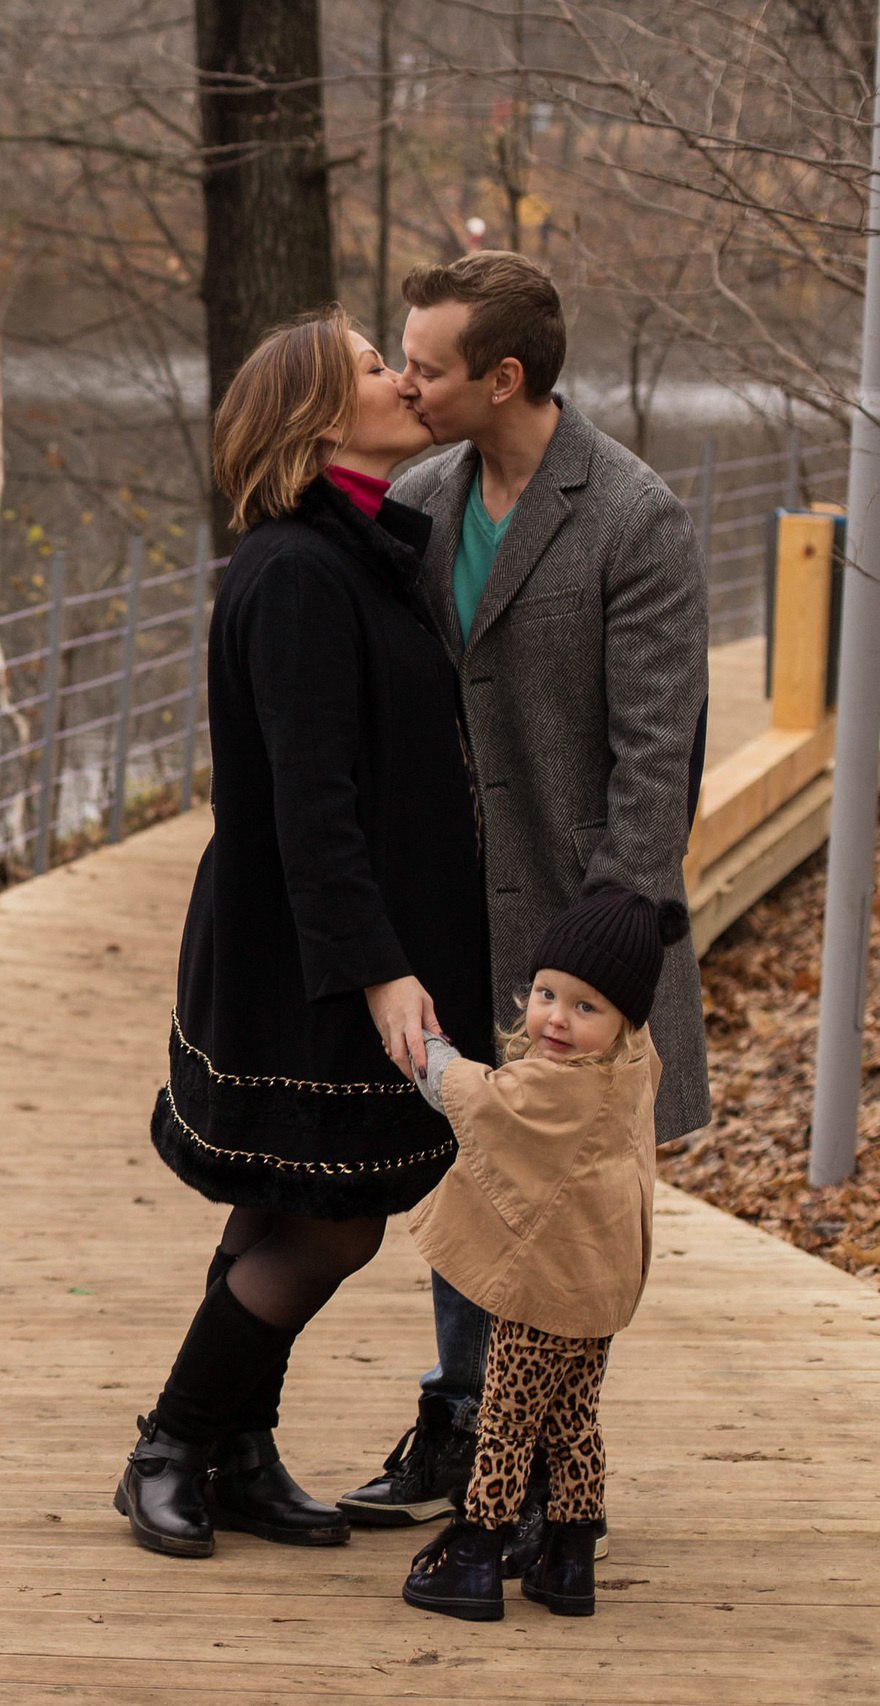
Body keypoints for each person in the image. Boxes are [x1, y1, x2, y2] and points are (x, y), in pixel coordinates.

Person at [337, 252, 709, 1566]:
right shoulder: (419, 498)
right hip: (447, 911)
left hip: (578, 930)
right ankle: (459, 1427)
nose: (404, 382)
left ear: (504, 377)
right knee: (473, 1172)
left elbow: (657, 758)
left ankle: (546, 1469)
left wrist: (601, 961)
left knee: (564, 1204)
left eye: (425, 365)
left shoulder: (635, 515)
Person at [115, 308, 492, 1559]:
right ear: (323, 417)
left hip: (333, 937)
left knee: (284, 1201)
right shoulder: (293, 572)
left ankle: (235, 1452)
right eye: (378, 368)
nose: (404, 381)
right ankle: (169, 1445)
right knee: (332, 1218)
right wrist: (381, 972)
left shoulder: (357, 550)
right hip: (300, 955)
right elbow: (308, 800)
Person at [397, 886, 678, 1621]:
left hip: (546, 1294)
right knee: (573, 1423)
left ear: (624, 1021)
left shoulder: (558, 1087)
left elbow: (475, 1097)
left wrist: (425, 1049)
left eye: (586, 1008)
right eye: (547, 994)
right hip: (599, 1291)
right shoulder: (633, 1067)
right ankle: (570, 1556)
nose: (556, 1019)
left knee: (508, 1420)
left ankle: (476, 1555)